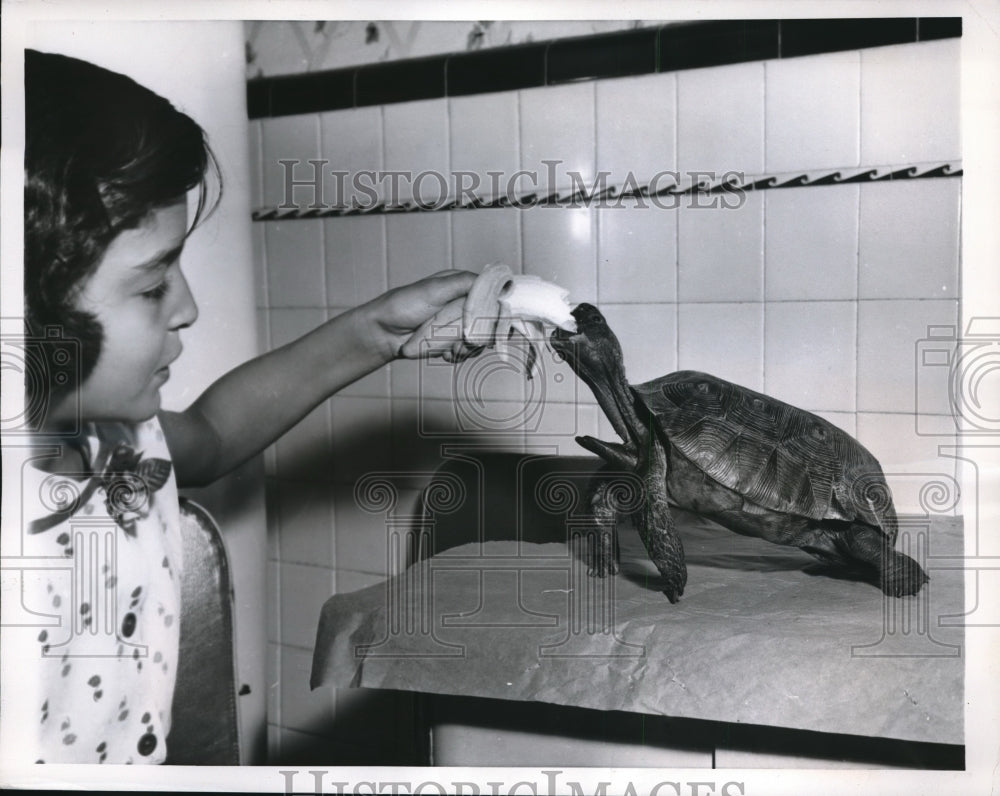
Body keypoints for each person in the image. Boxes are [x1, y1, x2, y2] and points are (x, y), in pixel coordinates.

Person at [16, 49, 478, 764]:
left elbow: (215, 431)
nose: (189, 308)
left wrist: (374, 334)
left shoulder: (117, 447)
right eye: (150, 286)